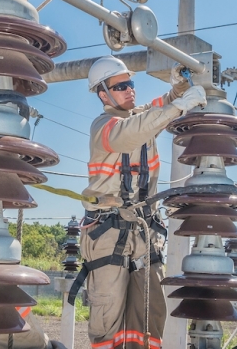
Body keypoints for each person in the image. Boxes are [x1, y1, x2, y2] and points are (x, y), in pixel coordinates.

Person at [76, 56, 207, 349]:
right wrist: (179, 105)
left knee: (149, 313)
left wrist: (178, 89)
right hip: (108, 233)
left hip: (144, 232)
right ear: (103, 94)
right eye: (120, 86)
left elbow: (155, 112)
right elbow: (131, 132)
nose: (129, 89)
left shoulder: (141, 118)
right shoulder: (105, 126)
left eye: (130, 83)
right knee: (107, 315)